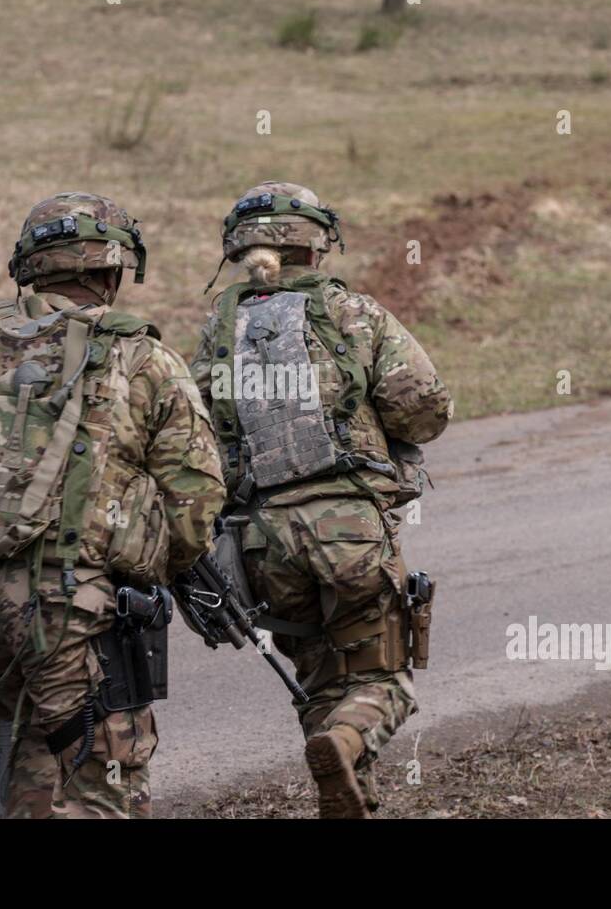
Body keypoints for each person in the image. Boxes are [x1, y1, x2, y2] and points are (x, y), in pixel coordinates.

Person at [0, 192, 224, 817]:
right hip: (78, 616)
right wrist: (141, 565)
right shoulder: (143, 358)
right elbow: (196, 507)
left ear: (31, 266)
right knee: (105, 783)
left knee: (42, 753)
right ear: (112, 271)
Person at [189, 180, 453, 818]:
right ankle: (343, 742)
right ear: (317, 243)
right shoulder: (353, 314)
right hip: (349, 529)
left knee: (318, 677)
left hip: (260, 542)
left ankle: (345, 787)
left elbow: (193, 439)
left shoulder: (218, 331)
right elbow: (424, 407)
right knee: (380, 679)